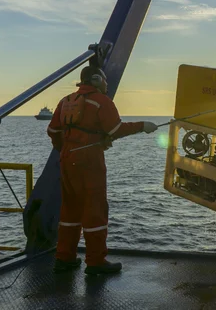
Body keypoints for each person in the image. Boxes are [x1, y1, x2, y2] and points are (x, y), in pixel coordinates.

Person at [46, 65, 158, 275]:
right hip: (90, 163)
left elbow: (52, 130)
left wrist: (67, 149)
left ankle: (64, 258)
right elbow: (116, 129)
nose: (107, 84)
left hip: (67, 160)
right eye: (105, 80)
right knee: (95, 209)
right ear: (96, 80)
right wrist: (143, 126)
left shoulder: (65, 101)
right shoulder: (102, 101)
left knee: (69, 211)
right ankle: (96, 262)